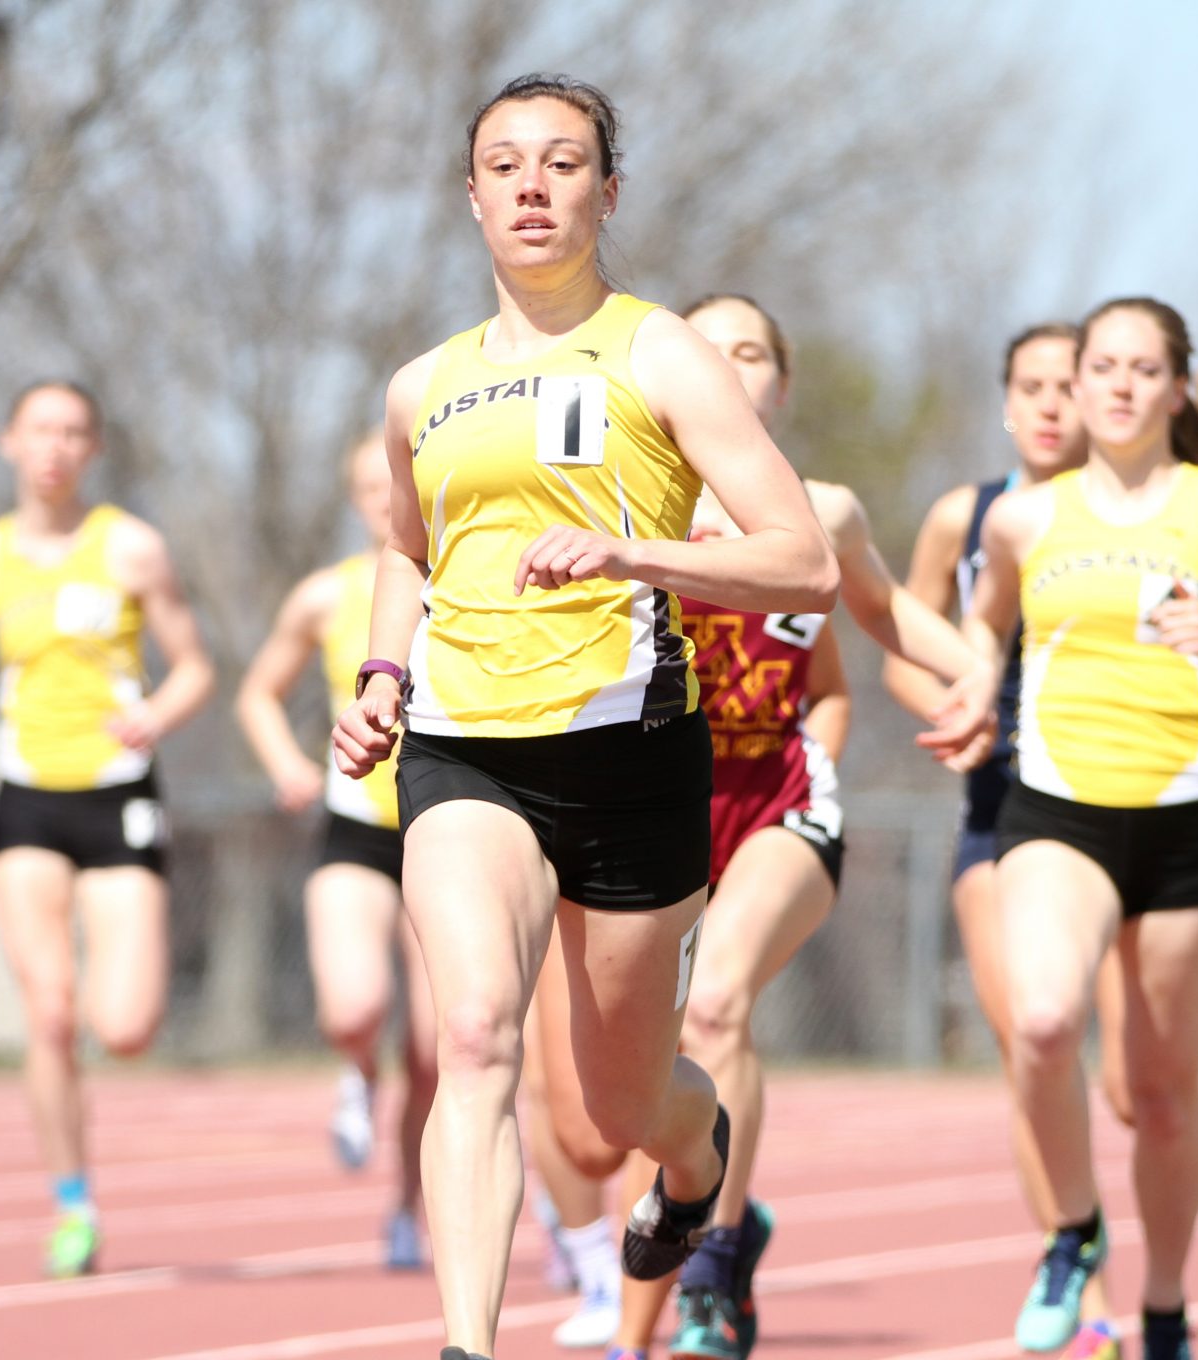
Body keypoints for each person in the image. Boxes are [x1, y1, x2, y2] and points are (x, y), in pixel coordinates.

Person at [330, 74, 840, 1360]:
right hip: (463, 749)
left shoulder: (656, 350)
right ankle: (466, 1342)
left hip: (630, 755)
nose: (532, 186)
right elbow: (406, 549)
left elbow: (800, 561)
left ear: (606, 194)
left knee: (623, 1103)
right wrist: (383, 681)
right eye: (505, 165)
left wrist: (634, 558)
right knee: (474, 1033)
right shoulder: (420, 388)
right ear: (471, 197)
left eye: (562, 164)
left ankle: (695, 1153)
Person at [524, 292, 990, 1360]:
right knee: (590, 1136)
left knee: (719, 1004)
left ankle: (715, 1277)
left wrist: (980, 678)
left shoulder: (819, 512)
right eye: (709, 347)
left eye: (753, 352)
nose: (729, 365)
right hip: (646, 806)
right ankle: (707, 1226)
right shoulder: (625, 499)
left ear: (781, 387)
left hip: (776, 799)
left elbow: (878, 614)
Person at [940, 297, 1198, 1359]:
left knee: (1160, 1095)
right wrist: (969, 687)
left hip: (1186, 827)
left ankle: (1168, 1301)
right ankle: (1070, 1228)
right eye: (1103, 366)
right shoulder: (1024, 519)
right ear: (1079, 379)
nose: (1121, 386)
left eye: (1145, 369)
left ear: (1176, 389)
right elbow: (983, 619)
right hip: (1055, 813)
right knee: (1044, 1024)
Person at [0, 380, 215, 1278]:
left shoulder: (131, 548)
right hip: (26, 798)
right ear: (9, 442)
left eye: (73, 431)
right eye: (39, 429)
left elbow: (194, 668)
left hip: (117, 793)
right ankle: (72, 1202)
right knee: (47, 1014)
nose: (54, 446)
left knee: (121, 1027)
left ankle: (107, 1045)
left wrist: (156, 716)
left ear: (92, 449)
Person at [885, 322, 1091, 1245]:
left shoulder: (1137, 520)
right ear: (1007, 405)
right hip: (999, 803)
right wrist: (950, 705)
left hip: (1113, 797)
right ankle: (1070, 1263)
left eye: (1069, 385)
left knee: (1128, 1082)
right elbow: (899, 642)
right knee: (1027, 1050)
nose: (1051, 404)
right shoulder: (960, 517)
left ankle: (1086, 1226)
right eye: (1033, 387)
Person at [234, 429, 438, 1271]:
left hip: (445, 826)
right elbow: (257, 691)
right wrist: (286, 763)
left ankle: (407, 1208)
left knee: (436, 1050)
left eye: (393, 484)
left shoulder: (463, 583)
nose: (381, 498)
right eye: (367, 485)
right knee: (352, 1008)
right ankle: (357, 1074)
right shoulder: (324, 596)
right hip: (353, 824)